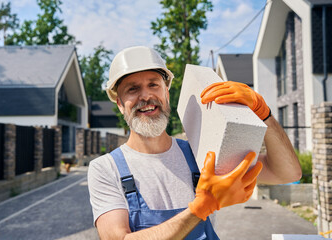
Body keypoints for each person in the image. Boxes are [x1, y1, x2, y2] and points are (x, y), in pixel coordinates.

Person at [88, 46, 302, 239]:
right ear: (119, 104)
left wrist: (263, 114)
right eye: (132, 89)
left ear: (166, 93)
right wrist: (200, 209)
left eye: (153, 85)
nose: (146, 96)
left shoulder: (200, 152)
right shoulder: (106, 169)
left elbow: (288, 173)